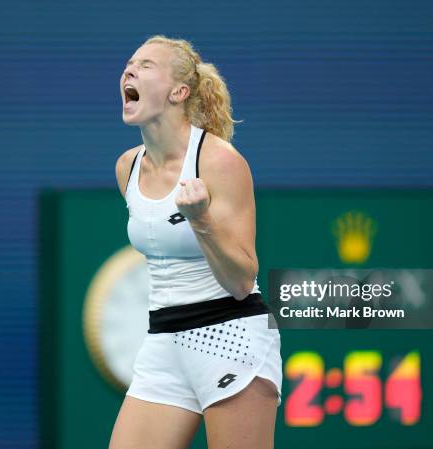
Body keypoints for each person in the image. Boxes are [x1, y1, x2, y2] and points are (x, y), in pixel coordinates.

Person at [109, 35, 282, 449]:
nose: (129, 70)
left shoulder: (220, 161)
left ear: (179, 91)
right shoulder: (127, 167)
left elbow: (242, 281)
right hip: (163, 343)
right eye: (130, 63)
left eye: (146, 65)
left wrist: (201, 221)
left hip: (231, 336)